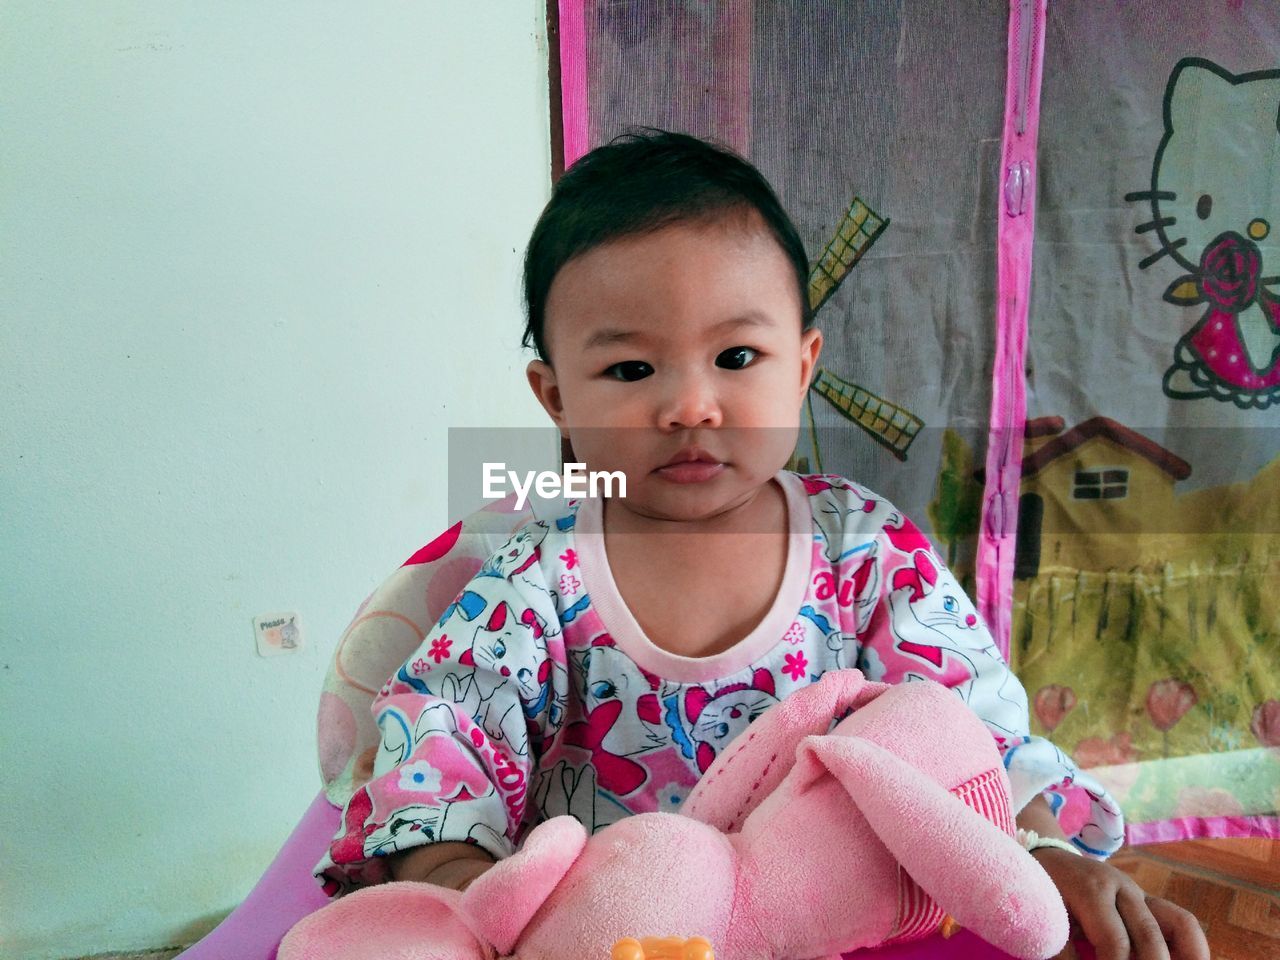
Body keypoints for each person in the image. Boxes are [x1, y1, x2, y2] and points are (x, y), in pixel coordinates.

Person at [315, 130, 1208, 960]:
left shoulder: (862, 547)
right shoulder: (537, 575)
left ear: (805, 364)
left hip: (842, 926)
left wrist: (1042, 846)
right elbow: (444, 740)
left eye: (737, 358)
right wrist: (469, 895)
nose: (692, 406)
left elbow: (965, 722)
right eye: (631, 370)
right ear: (556, 400)